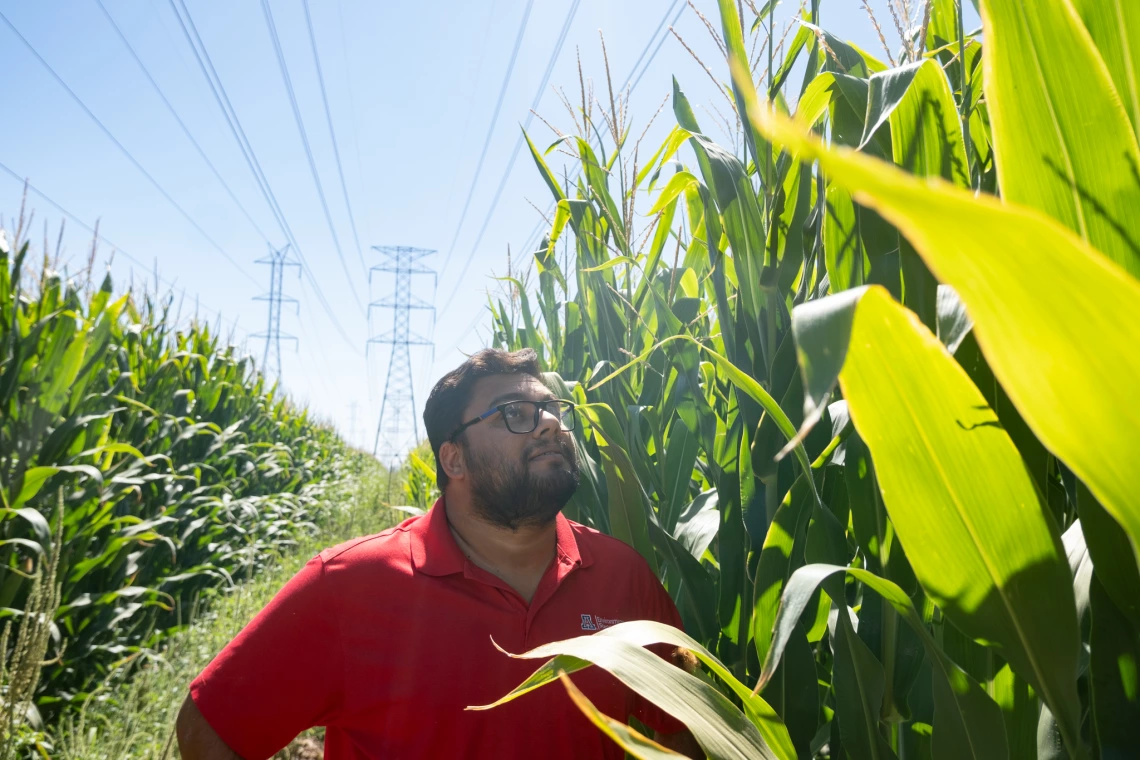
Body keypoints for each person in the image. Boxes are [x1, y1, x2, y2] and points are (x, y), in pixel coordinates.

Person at [177, 348, 702, 759]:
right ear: (454, 458)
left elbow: (690, 727)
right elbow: (212, 726)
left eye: (551, 410)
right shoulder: (349, 585)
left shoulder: (621, 576)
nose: (547, 424)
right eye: (513, 414)